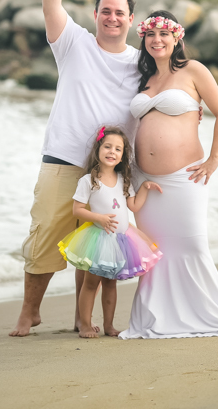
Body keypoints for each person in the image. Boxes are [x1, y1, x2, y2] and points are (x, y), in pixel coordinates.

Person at [119, 10, 218, 340]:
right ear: (143, 39)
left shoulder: (192, 70)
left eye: (164, 34)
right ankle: (154, 318)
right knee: (155, 251)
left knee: (191, 245)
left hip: (184, 177)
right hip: (144, 179)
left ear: (177, 38)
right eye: (151, 34)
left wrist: (213, 159)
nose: (157, 40)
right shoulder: (143, 79)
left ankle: (205, 315)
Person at [9, 0, 142, 337]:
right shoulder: (74, 42)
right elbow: (52, 6)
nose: (112, 18)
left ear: (131, 19)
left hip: (112, 168)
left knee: (96, 243)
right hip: (63, 158)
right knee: (46, 234)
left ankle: (82, 319)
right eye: (106, 12)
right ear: (95, 14)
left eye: (120, 13)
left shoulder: (141, 64)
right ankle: (30, 312)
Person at [58, 125, 162, 338]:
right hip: (99, 239)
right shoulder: (89, 180)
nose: (112, 152)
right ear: (98, 149)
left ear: (123, 156)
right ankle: (85, 324)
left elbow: (133, 207)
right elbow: (77, 210)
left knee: (110, 285)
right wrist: (99, 218)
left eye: (118, 149)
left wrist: (144, 188)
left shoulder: (124, 180)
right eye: (107, 147)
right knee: (90, 284)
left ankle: (109, 325)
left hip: (121, 241)